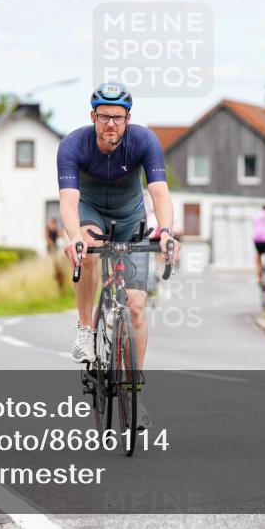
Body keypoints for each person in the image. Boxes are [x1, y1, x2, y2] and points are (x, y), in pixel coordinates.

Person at [57, 81, 181, 430]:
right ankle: (85, 329)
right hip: (91, 212)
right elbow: (68, 200)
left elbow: (158, 190)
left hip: (130, 219)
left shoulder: (144, 141)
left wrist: (167, 230)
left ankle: (134, 390)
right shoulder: (73, 145)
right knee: (90, 253)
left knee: (137, 305)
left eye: (118, 117)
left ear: (128, 119)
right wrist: (73, 238)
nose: (111, 123)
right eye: (104, 116)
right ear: (92, 116)